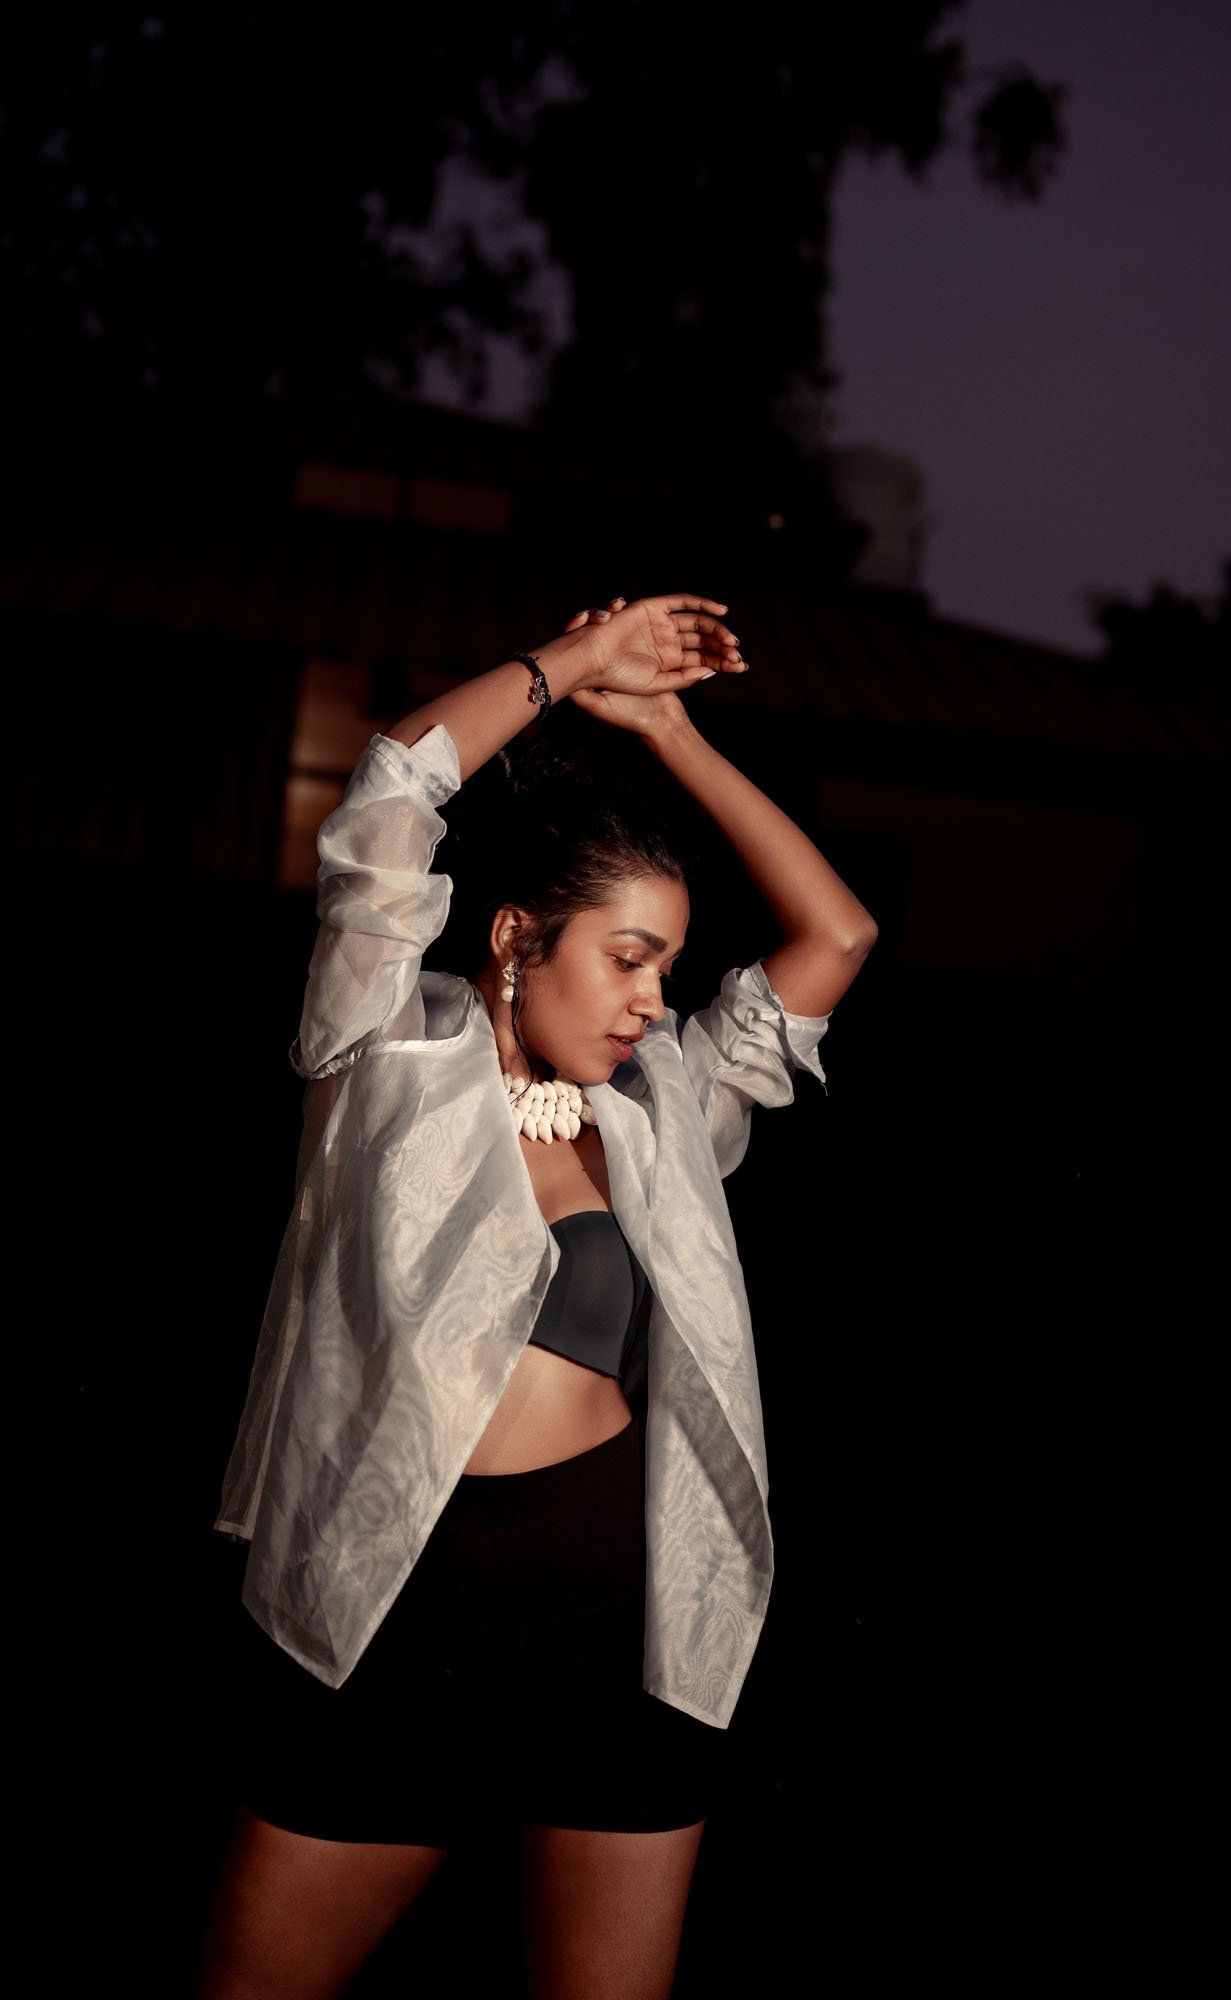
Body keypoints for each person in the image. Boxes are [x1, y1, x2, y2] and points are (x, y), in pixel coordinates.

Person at [201, 591, 876, 1999]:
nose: (651, 1000)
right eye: (626, 958)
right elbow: (394, 791)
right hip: (394, 1628)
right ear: (515, 936)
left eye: (667, 968)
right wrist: (576, 664)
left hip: (613, 1639)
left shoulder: (664, 1108)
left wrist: (670, 730)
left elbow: (838, 933)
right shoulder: (384, 1058)